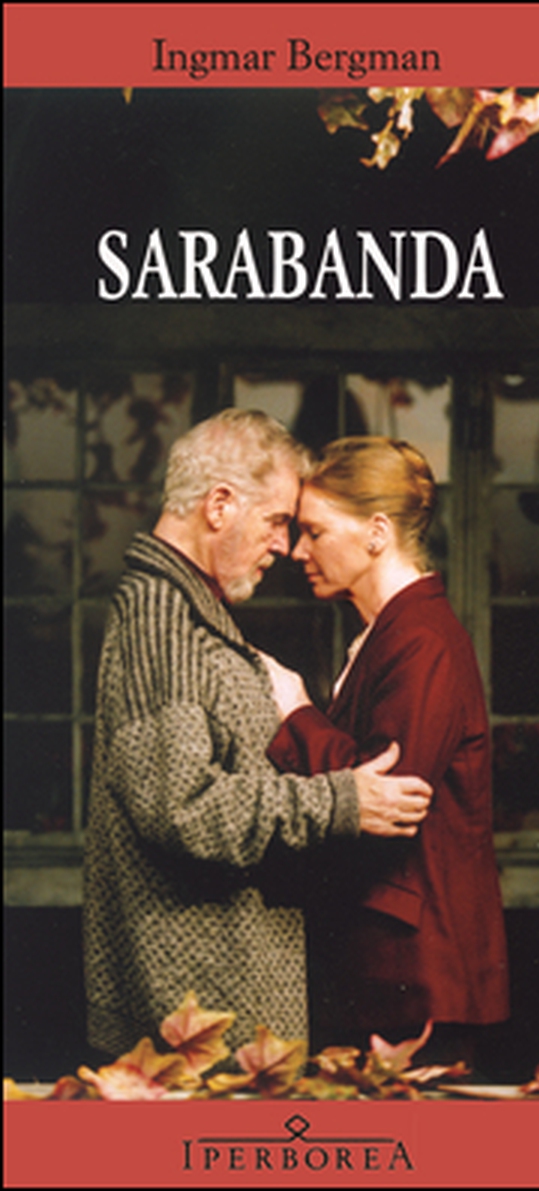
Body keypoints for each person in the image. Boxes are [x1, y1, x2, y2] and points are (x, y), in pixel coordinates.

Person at [83, 410, 433, 1059]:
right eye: (276, 520)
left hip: (217, 1000)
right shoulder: (162, 615)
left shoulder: (189, 608)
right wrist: (340, 801)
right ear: (219, 505)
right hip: (194, 1014)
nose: (284, 545)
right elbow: (183, 808)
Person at [263, 435, 510, 1062]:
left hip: (420, 977)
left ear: (377, 533)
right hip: (393, 967)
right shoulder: (391, 634)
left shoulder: (422, 640)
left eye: (315, 532)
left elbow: (385, 798)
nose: (297, 550)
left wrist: (296, 711)